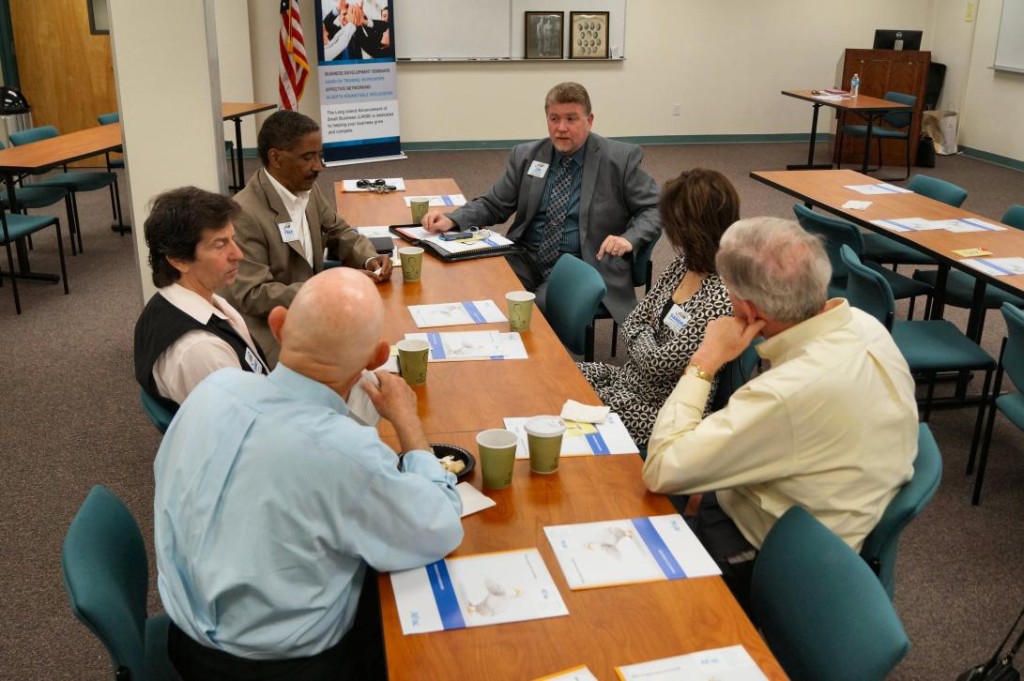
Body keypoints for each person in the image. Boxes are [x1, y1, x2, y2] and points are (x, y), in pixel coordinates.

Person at [155, 268, 463, 681]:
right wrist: (407, 420)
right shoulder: (346, 452)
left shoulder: (212, 389)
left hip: (183, 640)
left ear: (278, 325)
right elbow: (439, 527)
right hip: (284, 667)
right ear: (376, 358)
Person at [641, 216, 918, 608]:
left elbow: (661, 470)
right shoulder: (864, 324)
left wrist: (704, 361)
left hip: (774, 557)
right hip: (815, 508)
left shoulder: (786, 394)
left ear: (747, 308)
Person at [421, 82, 660, 323]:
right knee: (479, 286)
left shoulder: (619, 160)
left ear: (589, 120)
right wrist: (453, 219)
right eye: (554, 119)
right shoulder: (527, 156)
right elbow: (495, 203)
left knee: (529, 313)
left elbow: (655, 208)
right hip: (527, 257)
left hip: (580, 265)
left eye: (571, 119)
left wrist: (628, 238)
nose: (561, 128)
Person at [577, 169, 737, 448]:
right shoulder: (683, 264)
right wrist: (645, 335)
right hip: (629, 381)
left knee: (573, 403)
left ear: (694, 227)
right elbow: (632, 322)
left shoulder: (722, 295)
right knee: (563, 375)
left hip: (664, 409)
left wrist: (644, 333)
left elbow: (657, 365)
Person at [227, 110, 392, 367]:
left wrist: (369, 258)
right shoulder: (244, 214)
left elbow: (339, 231)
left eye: (319, 155)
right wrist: (324, 291)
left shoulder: (306, 189)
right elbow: (253, 294)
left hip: (315, 314)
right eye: (308, 157)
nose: (319, 166)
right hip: (275, 331)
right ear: (276, 158)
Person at [134, 186, 269, 414]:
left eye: (233, 239)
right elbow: (243, 423)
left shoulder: (184, 301)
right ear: (179, 259)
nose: (238, 254)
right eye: (220, 245)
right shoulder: (200, 349)